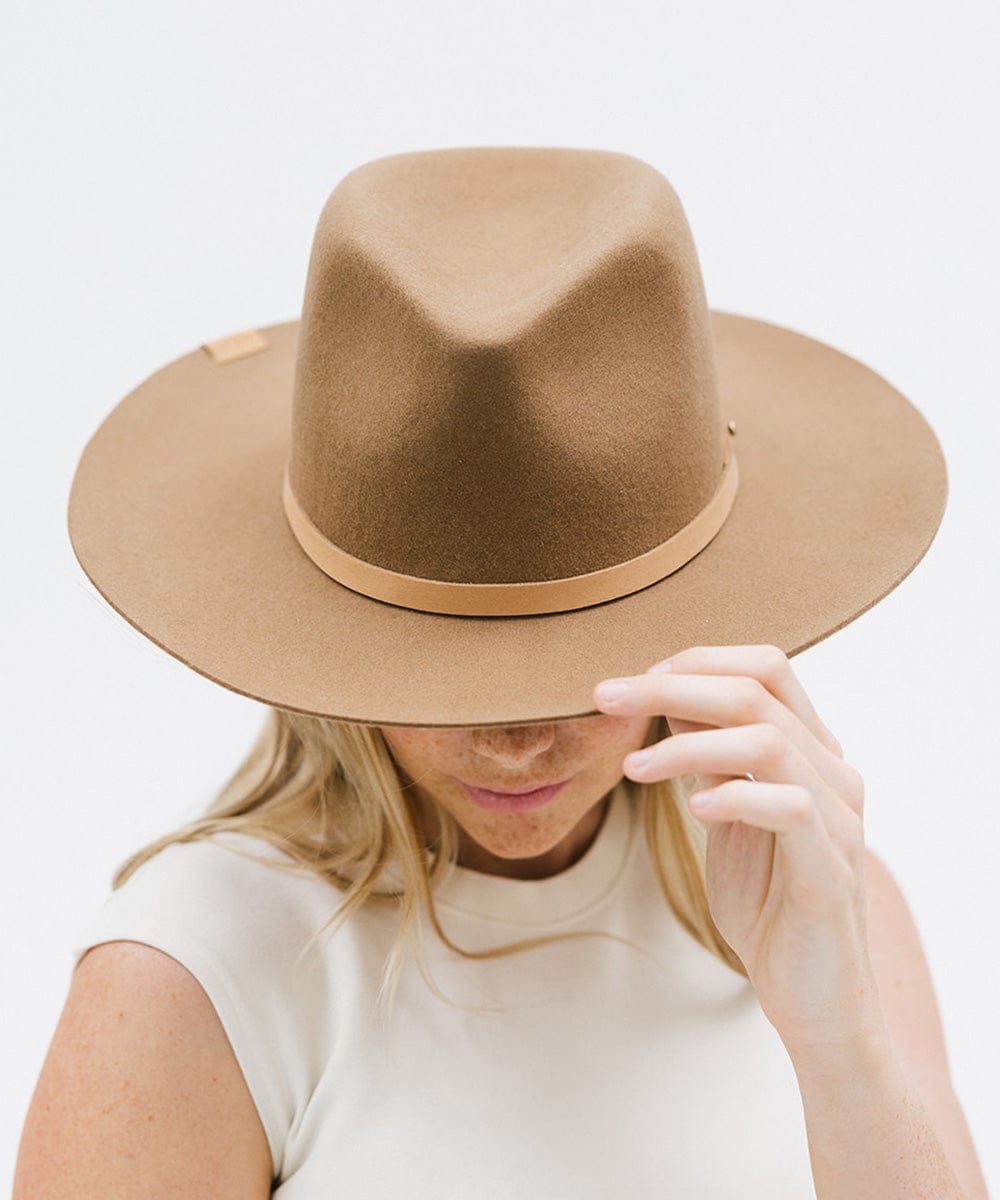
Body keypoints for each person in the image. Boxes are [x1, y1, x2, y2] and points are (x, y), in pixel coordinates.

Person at [13, 147, 988, 1198]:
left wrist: (840, 1044)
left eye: (585, 670)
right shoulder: (190, 977)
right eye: (447, 681)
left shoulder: (817, 898)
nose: (517, 743)